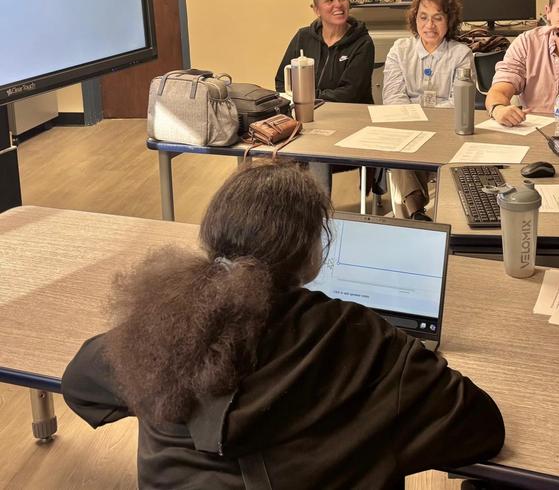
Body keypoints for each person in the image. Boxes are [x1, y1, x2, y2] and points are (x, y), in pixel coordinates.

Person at [61, 162, 504, 489]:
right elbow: (482, 430)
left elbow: (80, 383)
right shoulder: (364, 340)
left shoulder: (164, 330)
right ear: (313, 254)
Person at [382, 0, 476, 219]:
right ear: (415, 19)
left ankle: (415, 212)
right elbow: (393, 98)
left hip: (446, 130)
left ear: (449, 21)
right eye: (423, 17)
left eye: (438, 18)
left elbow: (459, 104)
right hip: (408, 128)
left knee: (413, 148)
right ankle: (417, 213)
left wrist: (423, 121)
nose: (429, 25)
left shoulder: (461, 54)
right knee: (401, 146)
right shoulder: (400, 50)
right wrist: (418, 123)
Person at [275, 0, 375, 104]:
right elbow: (282, 82)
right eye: (329, 0)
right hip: (306, 111)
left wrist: (307, 96)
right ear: (316, 9)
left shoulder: (363, 42)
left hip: (349, 114)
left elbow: (350, 94)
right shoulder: (303, 37)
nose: (338, 4)